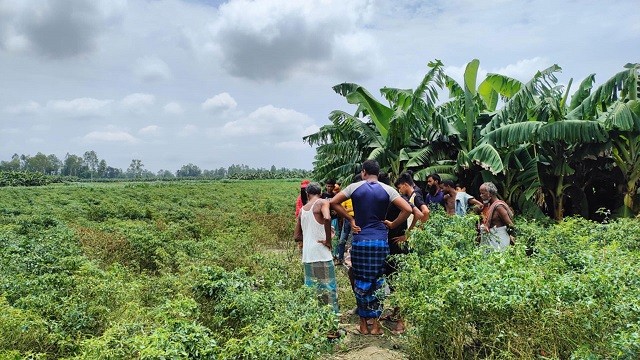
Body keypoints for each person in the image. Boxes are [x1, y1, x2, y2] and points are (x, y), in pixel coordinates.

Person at [330, 160, 412, 335]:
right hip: (380, 242)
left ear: (364, 172)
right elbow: (407, 209)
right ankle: (375, 326)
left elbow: (333, 203)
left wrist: (351, 220)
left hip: (360, 241)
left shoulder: (354, 187)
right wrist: (392, 224)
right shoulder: (388, 189)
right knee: (378, 281)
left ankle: (362, 325)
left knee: (360, 280)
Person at [294, 182, 339, 313]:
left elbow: (296, 236)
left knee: (312, 290)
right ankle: (332, 328)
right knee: (328, 290)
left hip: (308, 256)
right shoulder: (322, 202)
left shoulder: (302, 210)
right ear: (320, 193)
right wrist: (328, 240)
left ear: (307, 194)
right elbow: (327, 217)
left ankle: (315, 323)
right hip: (321, 254)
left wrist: (308, 237)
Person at [478, 182, 515, 252]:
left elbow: (511, 225)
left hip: (499, 241)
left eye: (483, 193)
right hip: (492, 241)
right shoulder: (490, 205)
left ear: (490, 194)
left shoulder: (499, 207)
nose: (481, 195)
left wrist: (510, 235)